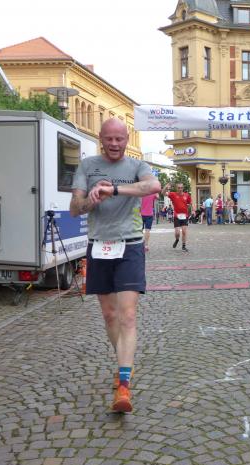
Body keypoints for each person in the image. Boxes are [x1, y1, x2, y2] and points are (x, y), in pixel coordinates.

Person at [69, 118, 161, 413]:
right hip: (99, 245)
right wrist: (92, 199)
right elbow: (74, 209)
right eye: (109, 138)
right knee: (110, 316)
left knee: (128, 315)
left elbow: (154, 185)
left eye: (119, 139)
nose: (114, 144)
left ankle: (123, 385)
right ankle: (123, 362)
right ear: (101, 138)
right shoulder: (87, 166)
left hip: (130, 245)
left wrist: (116, 190)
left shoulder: (136, 166)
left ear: (126, 139)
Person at [167, 183, 192, 251]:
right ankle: (177, 239)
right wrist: (166, 187)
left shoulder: (187, 195)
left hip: (184, 215)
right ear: (176, 188)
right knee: (177, 232)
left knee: (184, 231)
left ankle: (183, 246)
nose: (180, 189)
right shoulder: (173, 194)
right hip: (177, 215)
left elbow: (190, 203)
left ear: (183, 188)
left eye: (181, 187)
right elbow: (163, 193)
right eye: (178, 188)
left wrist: (192, 210)